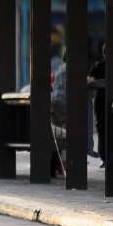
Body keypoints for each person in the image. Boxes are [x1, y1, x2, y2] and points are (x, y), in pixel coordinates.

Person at [50, 48, 67, 178]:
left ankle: (56, 164)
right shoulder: (70, 68)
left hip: (54, 101)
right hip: (64, 102)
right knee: (66, 133)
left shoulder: (60, 67)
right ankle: (64, 164)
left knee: (56, 135)